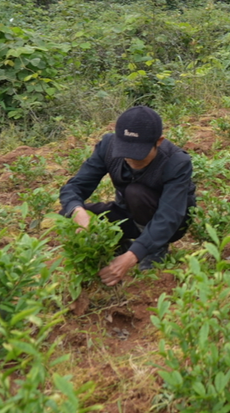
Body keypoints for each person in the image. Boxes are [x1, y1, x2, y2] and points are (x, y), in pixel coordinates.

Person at [59, 106, 196, 286]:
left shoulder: (176, 162)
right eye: (125, 152)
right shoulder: (107, 146)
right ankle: (119, 244)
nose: (131, 159)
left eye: (139, 154)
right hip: (128, 213)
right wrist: (77, 211)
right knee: (68, 213)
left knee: (136, 193)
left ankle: (154, 249)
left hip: (168, 223)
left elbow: (169, 216)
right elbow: (75, 187)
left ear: (159, 141)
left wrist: (132, 257)